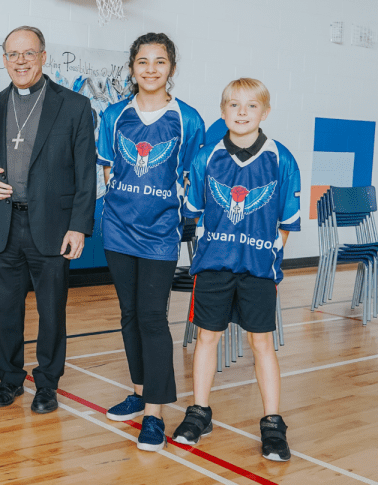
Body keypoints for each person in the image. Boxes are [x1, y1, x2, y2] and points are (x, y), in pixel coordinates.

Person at [0, 26, 97, 415]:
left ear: (44, 56)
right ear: (4, 59)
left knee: (51, 311)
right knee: (5, 311)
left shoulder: (74, 106)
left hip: (53, 227)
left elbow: (86, 172)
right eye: (13, 54)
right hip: (4, 224)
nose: (20, 61)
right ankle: (10, 379)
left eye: (29, 53)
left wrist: (79, 226)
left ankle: (47, 384)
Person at [172, 78, 300, 462]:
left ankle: (273, 423)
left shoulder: (281, 158)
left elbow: (287, 223)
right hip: (213, 266)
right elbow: (192, 211)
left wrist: (270, 253)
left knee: (261, 343)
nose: (242, 112)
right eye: (233, 105)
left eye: (251, 106)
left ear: (266, 111)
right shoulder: (206, 157)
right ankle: (199, 413)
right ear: (223, 110)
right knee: (206, 339)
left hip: (257, 270)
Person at [96, 33, 204, 451]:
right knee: (128, 314)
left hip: (161, 232)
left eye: (160, 62)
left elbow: (194, 176)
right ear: (132, 67)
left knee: (152, 317)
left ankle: (155, 415)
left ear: (171, 69)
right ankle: (140, 392)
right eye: (143, 61)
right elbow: (108, 169)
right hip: (119, 230)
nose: (151, 69)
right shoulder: (113, 115)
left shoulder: (188, 119)